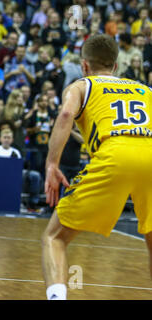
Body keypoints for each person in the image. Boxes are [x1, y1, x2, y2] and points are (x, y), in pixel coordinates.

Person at [42, 34, 152, 301]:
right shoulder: (144, 89)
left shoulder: (82, 85)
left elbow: (67, 114)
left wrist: (52, 163)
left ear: (85, 66)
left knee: (54, 238)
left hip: (115, 155)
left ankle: (57, 298)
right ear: (116, 66)